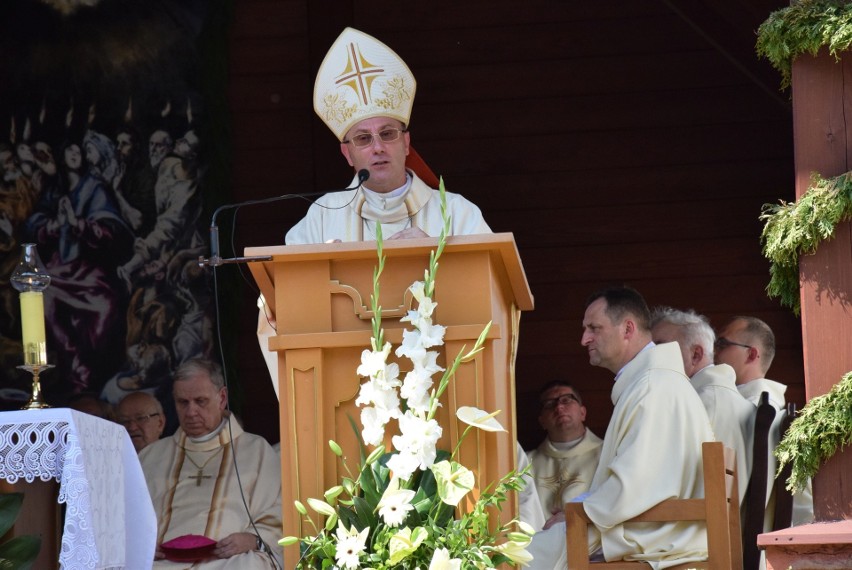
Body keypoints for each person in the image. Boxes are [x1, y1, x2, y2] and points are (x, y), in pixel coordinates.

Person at [258, 27, 491, 395]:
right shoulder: (321, 218)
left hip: (442, 390)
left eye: (388, 134)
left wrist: (437, 257)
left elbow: (492, 297)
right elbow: (275, 309)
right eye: (363, 139)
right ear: (347, 154)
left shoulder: (457, 214)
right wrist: (321, 277)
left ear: (407, 142)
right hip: (349, 395)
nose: (378, 147)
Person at [526, 286, 715, 570]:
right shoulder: (653, 382)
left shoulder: (653, 387)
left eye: (594, 328)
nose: (584, 339)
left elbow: (633, 486)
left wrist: (578, 510)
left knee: (519, 558)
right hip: (656, 529)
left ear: (627, 329)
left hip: (654, 537)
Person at [139, 358, 283, 568]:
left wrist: (252, 538)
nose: (191, 412)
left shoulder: (256, 451)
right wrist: (142, 543)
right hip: (161, 563)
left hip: (227, 561)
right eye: (183, 402)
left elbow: (280, 508)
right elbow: (129, 516)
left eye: (200, 401)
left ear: (222, 398)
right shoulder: (152, 456)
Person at [714, 316, 813, 535]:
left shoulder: (749, 414)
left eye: (721, 344)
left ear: (751, 354)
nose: (714, 352)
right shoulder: (775, 412)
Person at [650, 307, 754, 506]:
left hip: (702, 529)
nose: (652, 359)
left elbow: (665, 484)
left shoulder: (701, 403)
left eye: (661, 349)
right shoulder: (723, 395)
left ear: (696, 354)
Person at [527, 382, 603, 525]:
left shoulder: (608, 454)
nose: (559, 407)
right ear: (542, 421)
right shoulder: (525, 462)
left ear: (582, 413)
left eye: (566, 400)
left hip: (592, 541)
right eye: (549, 404)